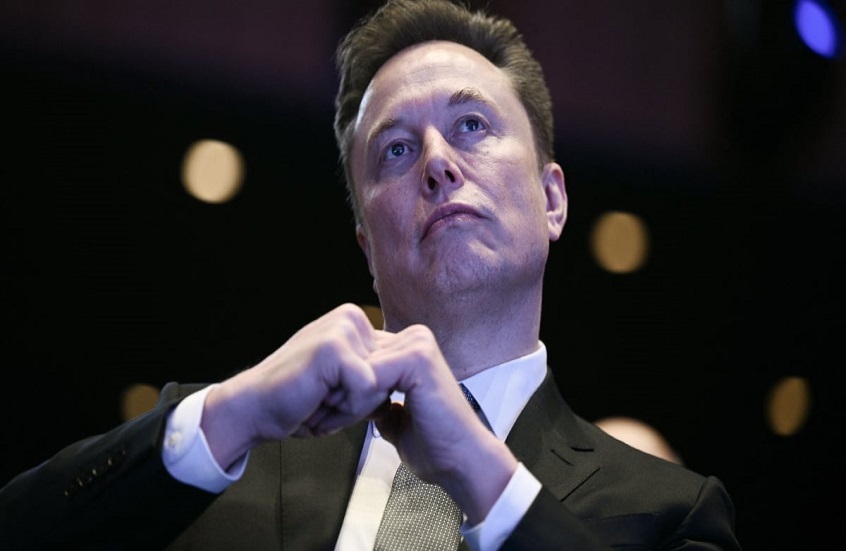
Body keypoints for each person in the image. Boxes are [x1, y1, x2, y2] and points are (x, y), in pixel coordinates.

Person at [0, 0, 741, 549]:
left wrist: (484, 477)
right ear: (366, 244)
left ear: (552, 200)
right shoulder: (239, 455)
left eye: (472, 125)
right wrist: (231, 411)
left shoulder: (669, 512)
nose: (437, 162)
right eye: (395, 150)